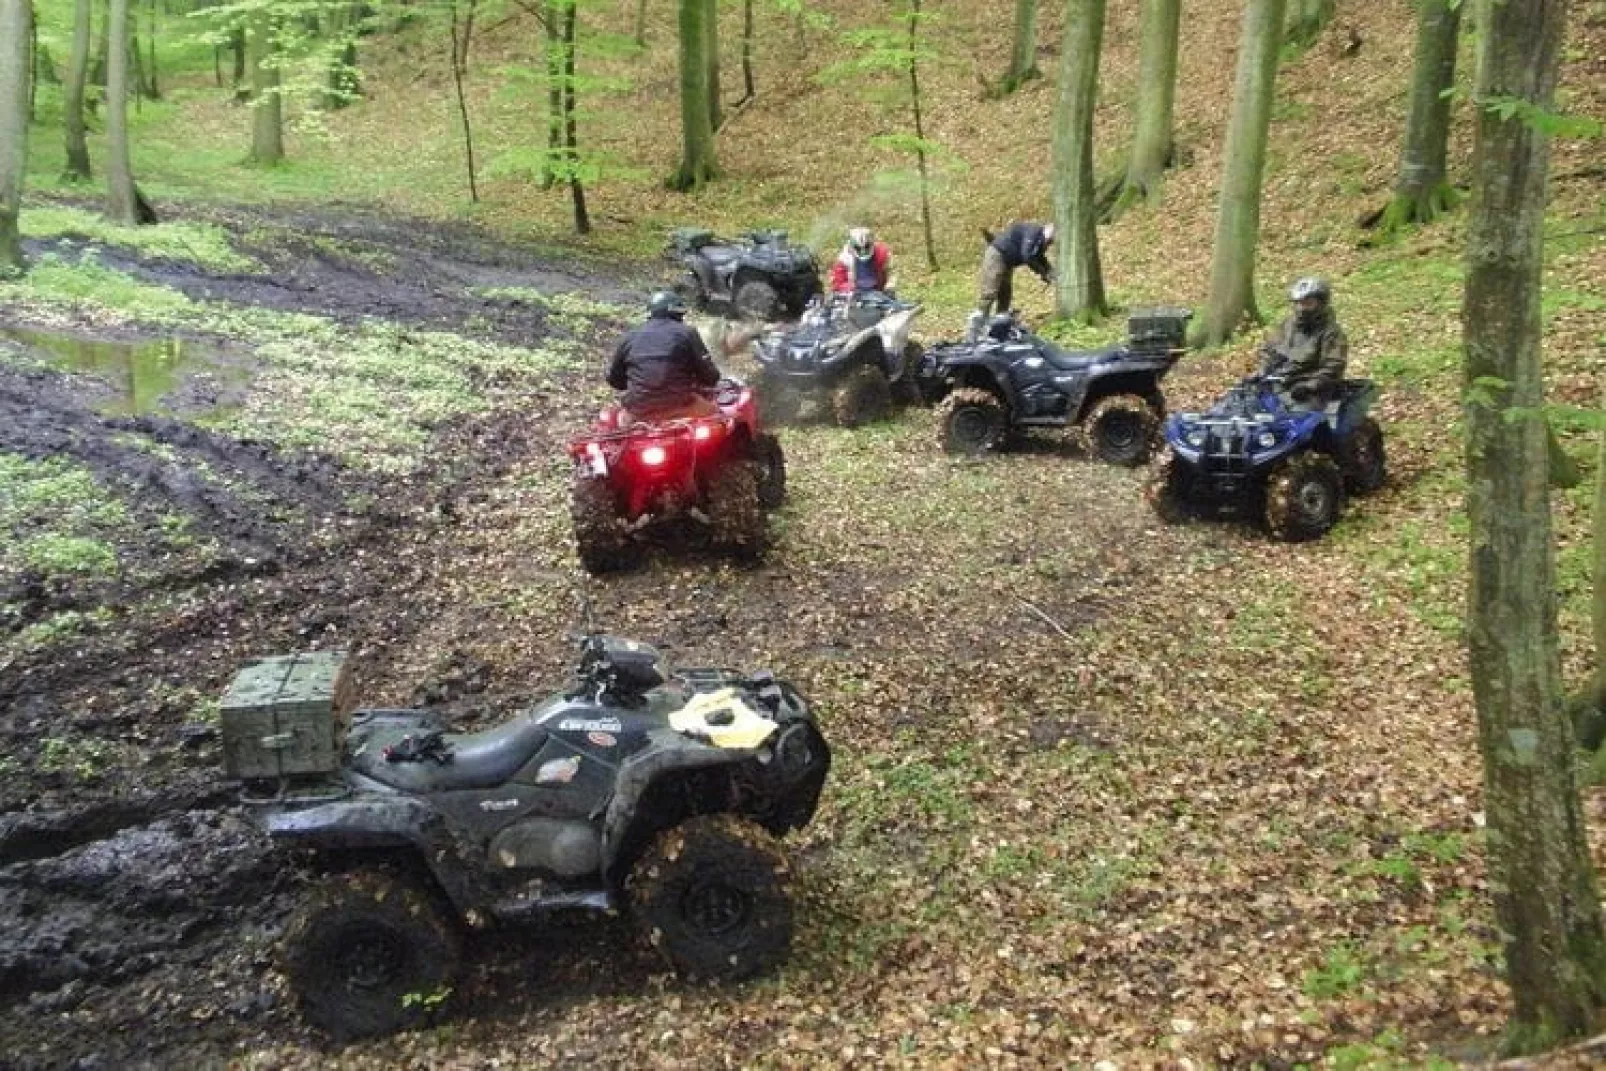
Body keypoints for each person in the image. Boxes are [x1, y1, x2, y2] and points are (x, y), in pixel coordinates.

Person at [606, 291, 722, 424]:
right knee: (718, 416)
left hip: (640, 411)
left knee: (619, 426)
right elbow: (710, 376)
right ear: (676, 313)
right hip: (681, 406)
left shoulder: (629, 337)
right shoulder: (687, 333)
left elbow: (614, 380)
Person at [1260, 277, 1348, 407]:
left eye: (1308, 303)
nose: (1302, 308)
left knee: (1300, 421)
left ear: (1321, 303)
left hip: (1314, 390)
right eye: (1299, 303)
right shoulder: (1288, 325)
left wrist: (1309, 386)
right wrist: (1262, 371)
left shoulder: (1331, 332)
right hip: (1282, 383)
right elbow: (1270, 351)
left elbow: (1333, 366)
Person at [976, 220, 1055, 318]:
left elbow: (1039, 256)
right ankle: (979, 322)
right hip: (997, 255)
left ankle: (1000, 322)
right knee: (990, 292)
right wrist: (1043, 273)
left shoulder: (1039, 240)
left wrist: (1049, 270)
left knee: (1005, 293)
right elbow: (1027, 255)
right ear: (1047, 230)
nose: (1050, 242)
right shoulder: (1034, 232)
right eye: (1051, 239)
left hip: (1008, 261)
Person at [828, 226, 893, 294]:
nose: (863, 251)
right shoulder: (844, 260)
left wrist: (889, 285)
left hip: (879, 293)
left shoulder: (882, 253)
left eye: (867, 247)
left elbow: (891, 272)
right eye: (858, 248)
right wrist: (853, 288)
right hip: (854, 296)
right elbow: (837, 284)